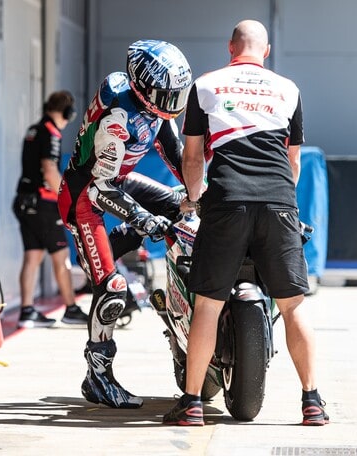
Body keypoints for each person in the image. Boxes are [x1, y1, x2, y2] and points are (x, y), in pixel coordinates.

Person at [162, 20, 328, 426]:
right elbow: (293, 162)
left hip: (227, 202)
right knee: (292, 306)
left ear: (230, 48)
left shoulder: (205, 85)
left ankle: (192, 404)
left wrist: (195, 199)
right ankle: (313, 401)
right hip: (278, 204)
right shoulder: (289, 89)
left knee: (207, 304)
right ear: (266, 51)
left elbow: (193, 158)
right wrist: (281, 202)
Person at [58, 40, 192, 408]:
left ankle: (115, 248)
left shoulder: (153, 109)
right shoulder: (118, 117)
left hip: (117, 181)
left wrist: (199, 191)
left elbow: (174, 153)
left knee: (179, 204)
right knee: (113, 289)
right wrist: (143, 220)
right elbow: (100, 189)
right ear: (143, 87)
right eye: (166, 95)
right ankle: (97, 377)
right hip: (86, 197)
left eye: (177, 94)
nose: (173, 103)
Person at [13, 90, 90, 329]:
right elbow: (49, 169)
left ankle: (27, 311)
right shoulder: (51, 134)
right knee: (61, 257)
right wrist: (65, 198)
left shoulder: (33, 130)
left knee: (32, 256)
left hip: (24, 201)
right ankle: (71, 308)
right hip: (43, 204)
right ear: (67, 112)